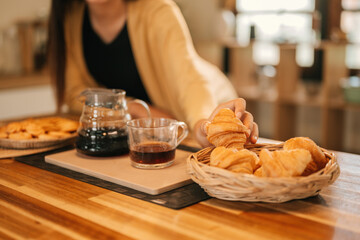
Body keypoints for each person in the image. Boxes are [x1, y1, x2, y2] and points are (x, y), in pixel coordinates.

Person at [47, 0, 258, 147]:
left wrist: (204, 124)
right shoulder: (70, 19)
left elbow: (190, 80)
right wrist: (133, 109)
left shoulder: (158, 10)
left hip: (199, 108)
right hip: (147, 130)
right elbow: (75, 93)